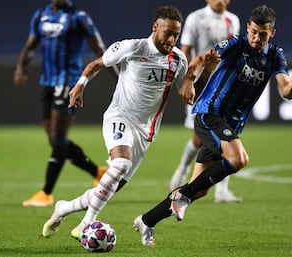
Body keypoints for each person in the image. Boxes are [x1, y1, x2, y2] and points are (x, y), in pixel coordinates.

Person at [133, 5, 292, 245]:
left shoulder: (276, 55)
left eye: (263, 34)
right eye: (254, 32)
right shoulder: (236, 44)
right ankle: (181, 197)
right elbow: (203, 58)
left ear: (272, 33)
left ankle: (147, 220)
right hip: (210, 114)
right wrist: (190, 80)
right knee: (239, 159)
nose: (257, 38)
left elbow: (285, 90)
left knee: (199, 188)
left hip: (231, 125)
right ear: (248, 28)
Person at [41, 5, 191, 241]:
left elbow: (186, 90)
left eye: (176, 35)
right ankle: (85, 224)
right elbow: (96, 65)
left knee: (109, 188)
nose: (171, 39)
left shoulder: (179, 60)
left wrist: (193, 80)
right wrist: (80, 85)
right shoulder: (133, 47)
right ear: (155, 27)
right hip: (119, 116)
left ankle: (64, 208)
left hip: (146, 132)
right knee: (121, 164)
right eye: (168, 32)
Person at [14, 0, 116, 207]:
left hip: (68, 81)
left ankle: (46, 192)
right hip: (47, 82)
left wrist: (117, 77)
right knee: (54, 141)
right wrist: (21, 67)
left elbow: (99, 48)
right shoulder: (41, 15)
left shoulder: (79, 17)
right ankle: (97, 172)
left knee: (59, 139)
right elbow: (31, 45)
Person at [170, 0, 243, 203]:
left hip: (225, 87)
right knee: (200, 139)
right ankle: (183, 169)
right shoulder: (196, 18)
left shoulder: (233, 21)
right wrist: (186, 79)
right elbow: (185, 50)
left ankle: (222, 190)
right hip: (201, 85)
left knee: (226, 133)